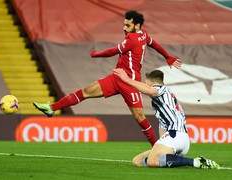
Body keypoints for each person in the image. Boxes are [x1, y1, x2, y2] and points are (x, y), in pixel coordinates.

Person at [33, 10, 181, 146]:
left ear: (137, 25)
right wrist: (167, 56)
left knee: (139, 117)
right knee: (87, 90)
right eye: (124, 24)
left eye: (128, 25)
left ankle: (156, 148)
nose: (124, 28)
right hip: (116, 77)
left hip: (130, 82)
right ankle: (51, 108)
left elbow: (113, 51)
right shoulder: (143, 34)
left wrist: (97, 54)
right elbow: (153, 43)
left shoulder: (132, 38)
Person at [113, 68, 220, 169]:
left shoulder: (162, 89)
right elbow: (162, 128)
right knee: (137, 161)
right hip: (176, 137)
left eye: (146, 84)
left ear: (149, 83)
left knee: (152, 161)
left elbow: (151, 91)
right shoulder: (163, 104)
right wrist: (159, 146)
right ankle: (173, 160)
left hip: (176, 135)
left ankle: (197, 162)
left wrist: (126, 79)